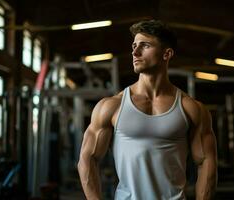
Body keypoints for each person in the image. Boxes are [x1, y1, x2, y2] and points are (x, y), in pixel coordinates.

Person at [78, 20, 217, 200]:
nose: (135, 52)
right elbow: (87, 159)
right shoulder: (111, 106)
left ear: (167, 54)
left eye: (145, 46)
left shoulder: (191, 108)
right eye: (134, 46)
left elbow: (206, 162)